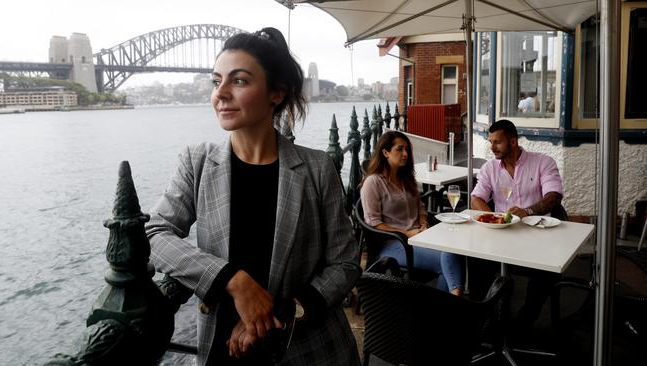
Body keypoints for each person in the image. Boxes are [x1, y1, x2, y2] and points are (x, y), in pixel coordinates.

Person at [146, 27, 361, 366]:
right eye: (216, 82)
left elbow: (345, 261)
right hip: (223, 351)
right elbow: (155, 233)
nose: (221, 94)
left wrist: (280, 314)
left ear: (276, 93)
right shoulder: (198, 162)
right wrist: (231, 279)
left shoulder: (316, 168)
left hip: (307, 350)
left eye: (240, 81)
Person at [470, 119, 563, 329]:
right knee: (475, 261)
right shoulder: (490, 168)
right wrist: (493, 218)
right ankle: (485, 318)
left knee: (546, 274)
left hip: (538, 236)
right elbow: (476, 198)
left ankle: (522, 325)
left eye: (497, 142)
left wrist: (528, 211)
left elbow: (554, 196)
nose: (492, 148)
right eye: (490, 142)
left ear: (513, 141)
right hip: (502, 236)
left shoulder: (543, 162)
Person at [360, 130, 464, 296]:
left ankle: (445, 309)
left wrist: (423, 223)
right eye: (400, 149)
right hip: (394, 243)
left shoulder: (406, 179)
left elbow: (421, 208)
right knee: (448, 258)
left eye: (407, 149)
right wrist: (407, 233)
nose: (405, 154)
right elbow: (374, 223)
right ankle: (452, 305)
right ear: (385, 152)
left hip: (419, 237)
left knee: (455, 248)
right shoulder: (373, 183)